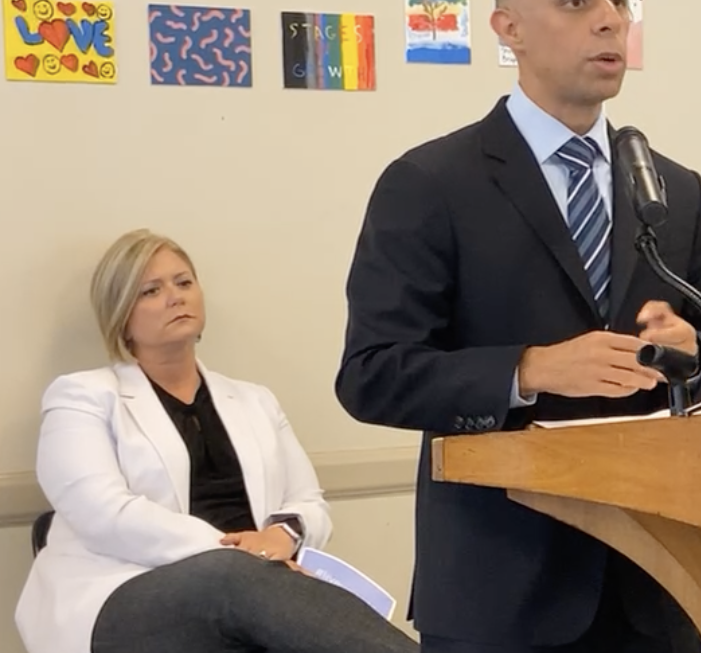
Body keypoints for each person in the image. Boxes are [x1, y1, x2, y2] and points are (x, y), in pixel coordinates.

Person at [335, 0, 701, 653]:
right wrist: (528, 370)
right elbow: (372, 375)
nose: (610, 18)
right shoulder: (431, 184)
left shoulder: (673, 190)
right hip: (502, 596)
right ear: (509, 29)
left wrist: (695, 352)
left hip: (665, 587)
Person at [15, 229, 419, 653]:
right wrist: (245, 554)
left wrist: (283, 537)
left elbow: (309, 503)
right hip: (121, 592)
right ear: (121, 315)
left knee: (258, 593)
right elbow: (103, 514)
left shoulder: (255, 400)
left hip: (254, 586)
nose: (175, 297)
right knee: (230, 578)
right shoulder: (82, 396)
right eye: (151, 290)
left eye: (183, 282)